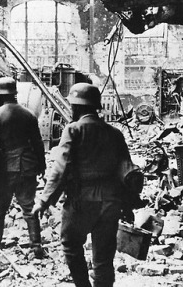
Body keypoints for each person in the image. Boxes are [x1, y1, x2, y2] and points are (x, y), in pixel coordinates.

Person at [32, 82, 138, 287]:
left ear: (77, 107)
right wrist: (127, 204)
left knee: (71, 245)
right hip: (110, 201)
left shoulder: (73, 130)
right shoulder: (115, 133)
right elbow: (127, 170)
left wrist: (44, 201)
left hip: (82, 201)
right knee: (104, 257)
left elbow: (61, 169)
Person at [0, 77, 46, 258]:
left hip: (3, 169)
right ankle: (36, 246)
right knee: (29, 207)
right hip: (27, 167)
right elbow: (38, 143)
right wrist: (41, 165)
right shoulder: (29, 115)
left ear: (0, 95)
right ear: (14, 93)